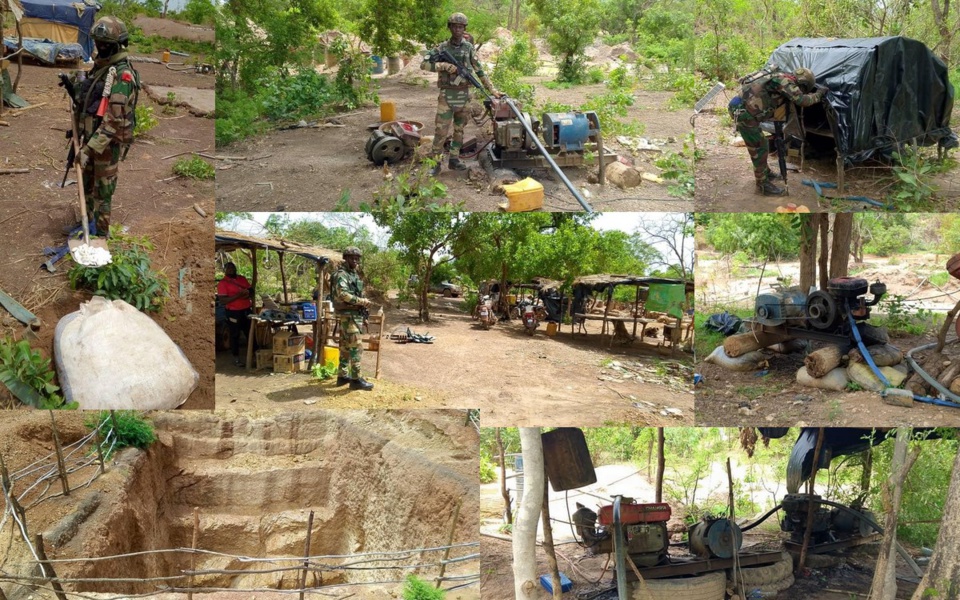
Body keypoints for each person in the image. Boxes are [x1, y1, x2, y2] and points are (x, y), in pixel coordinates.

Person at [72, 16, 140, 236]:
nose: (100, 48)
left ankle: (101, 235)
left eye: (105, 44)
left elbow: (113, 120)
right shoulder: (101, 68)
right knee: (88, 185)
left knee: (102, 191)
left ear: (117, 44)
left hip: (105, 145)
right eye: (98, 43)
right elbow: (90, 102)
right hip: (90, 139)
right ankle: (87, 226)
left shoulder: (122, 75)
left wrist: (89, 149)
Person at [420, 12, 503, 176]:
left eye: (460, 27)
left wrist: (492, 90)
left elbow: (479, 71)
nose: (457, 30)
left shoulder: (469, 48)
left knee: (459, 130)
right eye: (454, 26)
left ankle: (454, 160)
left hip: (464, 96)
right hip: (446, 96)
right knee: (440, 132)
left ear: (464, 28)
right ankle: (435, 163)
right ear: (450, 27)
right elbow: (424, 64)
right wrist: (443, 66)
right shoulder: (442, 48)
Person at [729, 66, 825, 196]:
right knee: (759, 148)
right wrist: (819, 94)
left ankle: (766, 173)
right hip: (744, 114)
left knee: (761, 144)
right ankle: (762, 185)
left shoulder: (780, 75)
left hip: (744, 110)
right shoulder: (784, 81)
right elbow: (802, 100)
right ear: (802, 83)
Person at [330, 247, 374, 391]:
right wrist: (362, 301)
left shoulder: (352, 275)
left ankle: (343, 376)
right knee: (356, 348)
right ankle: (356, 380)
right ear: (346, 258)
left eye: (357, 258)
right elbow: (343, 295)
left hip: (353, 316)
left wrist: (363, 313)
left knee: (345, 347)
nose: (355, 260)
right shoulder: (342, 274)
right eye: (352, 258)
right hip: (348, 316)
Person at [217, 262, 253, 367]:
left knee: (249, 332)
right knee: (235, 335)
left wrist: (247, 295)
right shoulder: (223, 283)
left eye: (233, 267)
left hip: (246, 310)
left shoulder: (242, 279)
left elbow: (251, 290)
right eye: (229, 268)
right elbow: (223, 300)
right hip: (233, 312)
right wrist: (238, 295)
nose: (231, 270)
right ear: (225, 270)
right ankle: (236, 358)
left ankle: (253, 355)